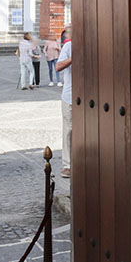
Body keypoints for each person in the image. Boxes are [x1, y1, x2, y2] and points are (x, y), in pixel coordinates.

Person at [56, 36, 73, 178]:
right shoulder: (68, 46)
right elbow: (58, 66)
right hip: (70, 96)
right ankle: (68, 164)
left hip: (90, 96)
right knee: (69, 130)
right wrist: (73, 58)